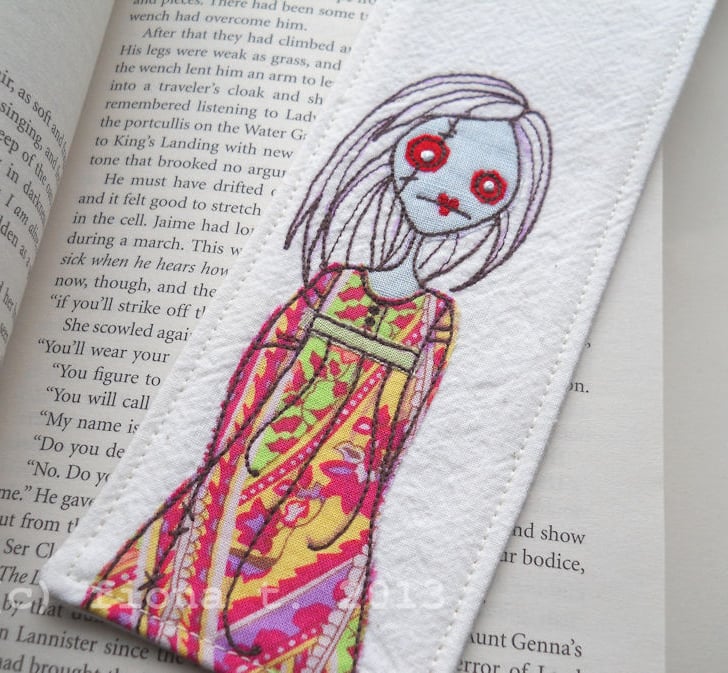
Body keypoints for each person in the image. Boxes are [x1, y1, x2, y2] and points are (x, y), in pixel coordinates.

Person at [83, 73, 552, 673]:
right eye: (429, 155)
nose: (449, 191)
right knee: (204, 554)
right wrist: (230, 462)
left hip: (338, 503)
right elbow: (261, 370)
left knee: (306, 587)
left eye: (487, 186)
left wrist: (357, 492)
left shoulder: (436, 320)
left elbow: (405, 424)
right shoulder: (331, 287)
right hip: (250, 468)